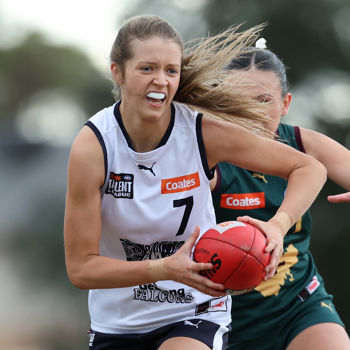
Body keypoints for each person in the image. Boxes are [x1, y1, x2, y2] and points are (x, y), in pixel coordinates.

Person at [64, 15, 327, 350]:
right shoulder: (94, 147)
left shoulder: (201, 133)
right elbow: (81, 269)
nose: (160, 80)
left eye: (171, 70)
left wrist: (278, 225)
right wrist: (164, 269)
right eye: (147, 69)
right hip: (117, 325)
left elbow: (309, 168)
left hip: (195, 312)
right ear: (117, 72)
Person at [211, 43, 350, 350]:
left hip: (298, 303)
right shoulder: (206, 156)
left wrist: (278, 224)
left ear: (285, 103)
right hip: (220, 318)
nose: (252, 114)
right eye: (237, 102)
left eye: (264, 101)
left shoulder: (302, 143)